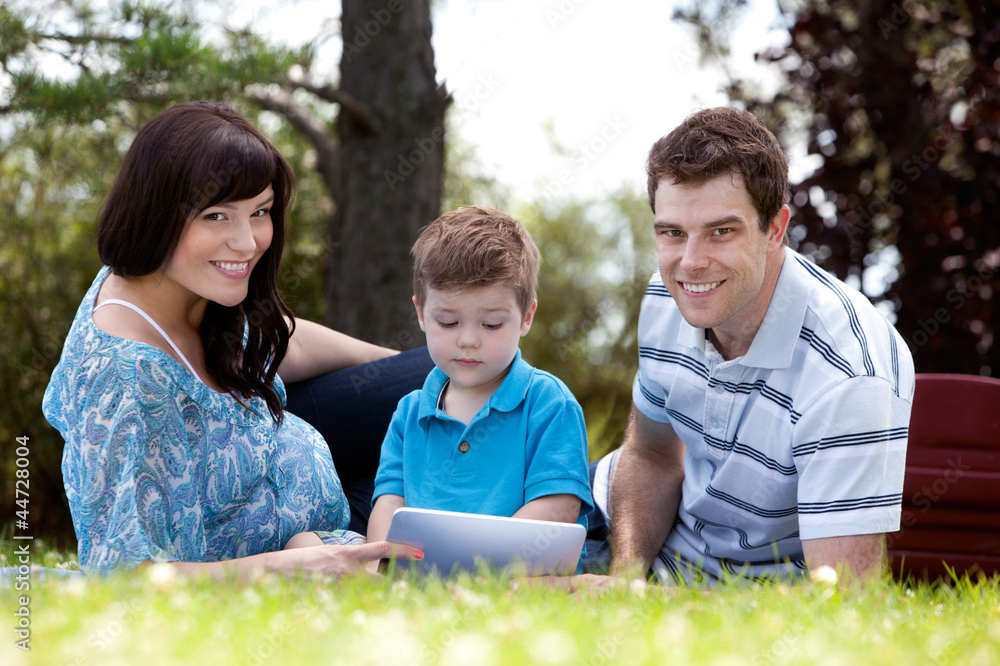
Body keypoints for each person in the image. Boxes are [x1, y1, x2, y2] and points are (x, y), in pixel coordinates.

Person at [42, 101, 424, 578]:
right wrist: (288, 567)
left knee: (447, 377)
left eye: (259, 212)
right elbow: (127, 578)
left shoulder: (177, 284)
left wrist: (397, 368)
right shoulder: (127, 379)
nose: (247, 242)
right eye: (218, 216)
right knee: (458, 484)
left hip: (282, 461)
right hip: (297, 537)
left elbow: (283, 342)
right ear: (158, 213)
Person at [585, 107, 914, 587]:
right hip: (628, 528)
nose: (691, 264)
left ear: (775, 229)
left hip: (748, 594)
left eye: (722, 231)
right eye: (672, 232)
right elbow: (652, 456)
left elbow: (848, 603)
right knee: (479, 550)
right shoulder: (665, 293)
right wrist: (624, 584)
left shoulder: (848, 373)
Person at [362, 206, 594, 569]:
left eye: (491, 324)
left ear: (526, 317)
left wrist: (479, 568)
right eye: (448, 321)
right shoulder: (409, 412)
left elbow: (558, 507)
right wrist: (380, 565)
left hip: (521, 580)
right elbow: (389, 503)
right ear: (421, 314)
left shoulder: (548, 403)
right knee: (309, 544)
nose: (468, 340)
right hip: (424, 577)